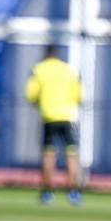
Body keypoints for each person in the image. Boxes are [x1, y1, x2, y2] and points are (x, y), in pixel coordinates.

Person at [25, 45, 84, 205]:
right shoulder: (69, 69)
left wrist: (43, 102)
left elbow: (31, 95)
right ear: (57, 55)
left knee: (48, 155)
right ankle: (73, 192)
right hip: (69, 117)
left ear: (46, 54)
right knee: (71, 155)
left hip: (48, 117)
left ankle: (47, 192)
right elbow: (80, 96)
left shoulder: (38, 69)